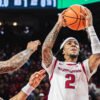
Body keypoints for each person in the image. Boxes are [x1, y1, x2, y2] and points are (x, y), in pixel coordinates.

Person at [42, 7, 100, 100]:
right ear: (63, 51)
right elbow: (46, 49)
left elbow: (98, 55)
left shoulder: (84, 67)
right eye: (69, 43)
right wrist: (58, 24)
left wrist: (90, 26)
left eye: (76, 44)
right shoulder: (54, 65)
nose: (73, 45)